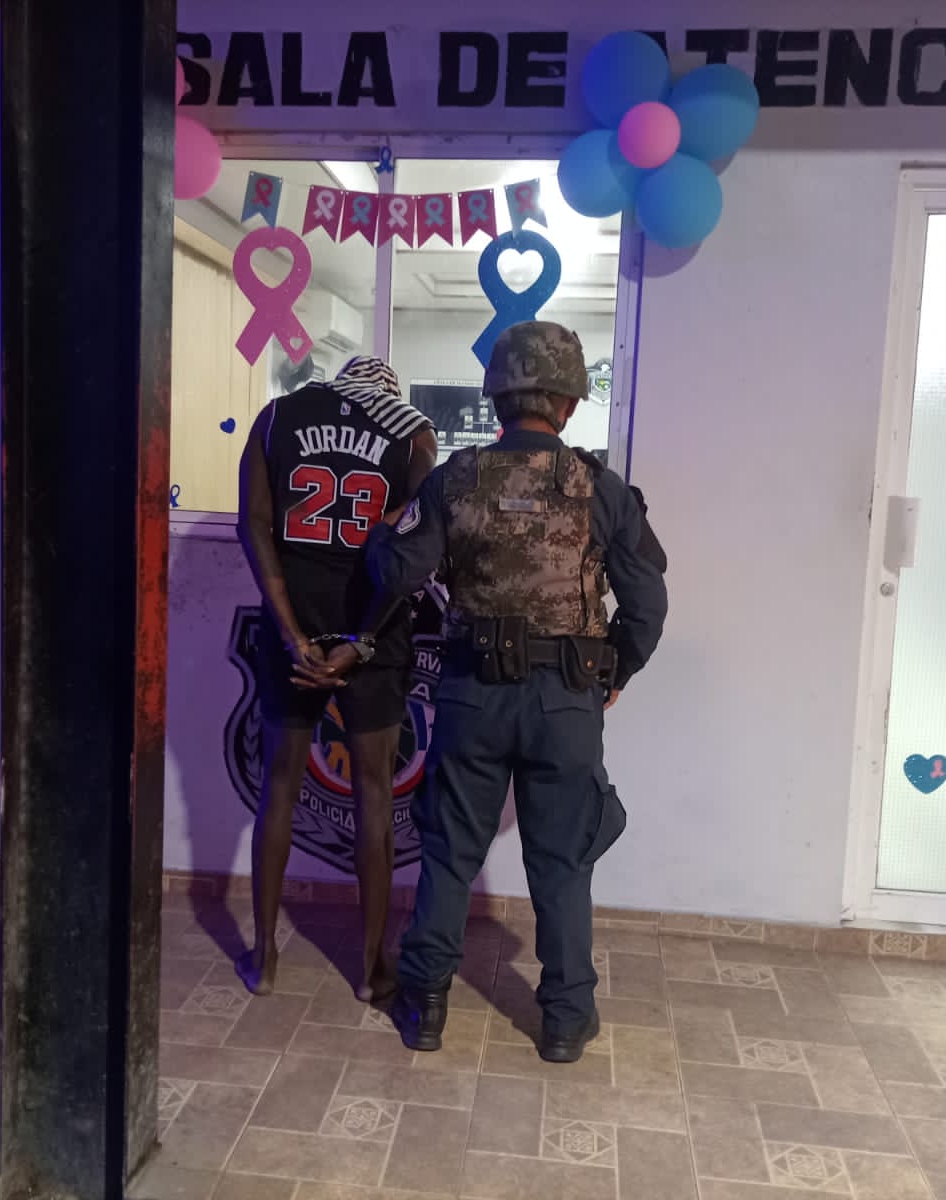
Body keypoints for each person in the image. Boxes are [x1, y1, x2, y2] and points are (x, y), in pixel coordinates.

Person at [356, 320, 668, 1062]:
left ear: (496, 397)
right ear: (569, 402)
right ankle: (564, 1020)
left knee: (449, 852)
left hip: (473, 696)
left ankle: (425, 1008)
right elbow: (648, 604)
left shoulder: (453, 480)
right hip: (566, 701)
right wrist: (615, 671)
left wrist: (381, 532)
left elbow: (396, 574)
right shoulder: (601, 488)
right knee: (562, 862)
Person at [235, 356, 438, 1001]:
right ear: (388, 390)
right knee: (374, 795)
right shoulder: (412, 432)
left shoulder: (276, 418)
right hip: (372, 636)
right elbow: (412, 554)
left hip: (292, 629)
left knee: (279, 789)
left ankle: (264, 957)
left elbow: (254, 527)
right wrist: (362, 641)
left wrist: (293, 635)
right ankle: (372, 969)